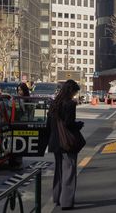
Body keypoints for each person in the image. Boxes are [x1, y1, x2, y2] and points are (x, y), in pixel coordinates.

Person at [47, 79, 84, 210]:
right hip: (67, 143)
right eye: (74, 92)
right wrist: (79, 124)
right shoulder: (70, 104)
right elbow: (69, 124)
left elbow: (49, 125)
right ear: (71, 91)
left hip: (55, 142)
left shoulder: (54, 103)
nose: (75, 95)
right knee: (69, 171)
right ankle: (66, 202)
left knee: (59, 171)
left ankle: (57, 197)